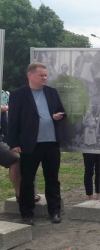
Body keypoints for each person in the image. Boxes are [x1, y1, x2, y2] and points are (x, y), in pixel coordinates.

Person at [8, 62, 66, 225]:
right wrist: (13, 142)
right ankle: (27, 214)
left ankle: (54, 211)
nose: (44, 78)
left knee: (53, 179)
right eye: (41, 75)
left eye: (46, 75)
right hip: (29, 144)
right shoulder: (18, 95)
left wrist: (59, 116)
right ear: (30, 75)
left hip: (51, 143)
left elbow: (62, 112)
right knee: (27, 180)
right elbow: (13, 121)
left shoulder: (51, 93)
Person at [82, 107, 100, 200]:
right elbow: (83, 123)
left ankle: (99, 193)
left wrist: (95, 124)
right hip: (89, 142)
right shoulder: (85, 108)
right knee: (89, 169)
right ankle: (90, 195)